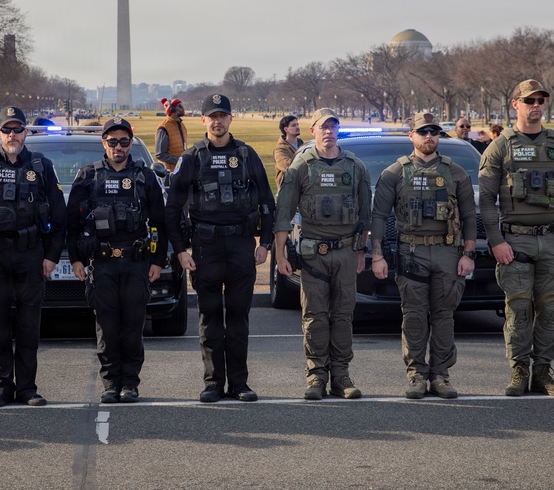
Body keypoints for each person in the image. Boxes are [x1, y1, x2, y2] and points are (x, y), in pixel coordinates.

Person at [164, 93, 275, 403]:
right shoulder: (191, 157)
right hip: (204, 247)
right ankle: (213, 383)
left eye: (222, 115)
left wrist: (265, 243)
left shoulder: (247, 154)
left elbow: (267, 201)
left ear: (230, 118)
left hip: (241, 245)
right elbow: (172, 210)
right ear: (203, 121)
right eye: (211, 116)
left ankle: (240, 383)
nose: (217, 121)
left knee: (238, 315)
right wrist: (180, 250)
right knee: (210, 316)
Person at [478, 79, 554, 397]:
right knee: (519, 309)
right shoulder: (500, 146)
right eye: (529, 100)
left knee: (550, 309)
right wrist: (496, 241)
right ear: (516, 105)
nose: (536, 105)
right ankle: (519, 370)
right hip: (515, 241)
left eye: (540, 100)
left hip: (553, 240)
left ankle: (542, 372)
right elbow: (486, 200)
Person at [0, 106, 67, 408]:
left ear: (26, 133)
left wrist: (52, 256)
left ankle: (28, 388)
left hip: (31, 255)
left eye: (18, 129)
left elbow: (59, 217)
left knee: (30, 325)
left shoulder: (42, 167)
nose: (13, 135)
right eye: (7, 130)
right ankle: (2, 387)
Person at [369, 112, 477, 399]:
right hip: (411, 252)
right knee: (414, 316)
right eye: (423, 132)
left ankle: (441, 375)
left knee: (444, 316)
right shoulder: (394, 173)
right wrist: (377, 255)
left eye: (434, 131)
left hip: (448, 252)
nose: (429, 136)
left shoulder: (456, 172)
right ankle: (417, 374)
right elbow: (378, 216)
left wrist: (469, 253)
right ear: (411, 136)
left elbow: (469, 216)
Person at [274, 108, 372, 400]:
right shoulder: (300, 166)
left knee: (342, 316)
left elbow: (365, 214)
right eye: (323, 127)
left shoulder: (355, 166)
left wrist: (361, 251)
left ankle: (341, 376)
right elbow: (284, 213)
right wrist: (280, 253)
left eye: (333, 126)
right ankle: (316, 376)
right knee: (315, 317)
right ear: (313, 130)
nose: (328, 131)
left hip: (345, 251)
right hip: (313, 253)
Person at [67, 118, 167, 403]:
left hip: (136, 262)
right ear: (104, 143)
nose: (118, 147)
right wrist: (76, 259)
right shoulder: (87, 176)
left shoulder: (145, 177)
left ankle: (130, 383)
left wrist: (158, 261)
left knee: (133, 325)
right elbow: (72, 224)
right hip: (102, 264)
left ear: (131, 143)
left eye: (124, 142)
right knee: (107, 327)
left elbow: (160, 222)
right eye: (113, 142)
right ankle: (111, 382)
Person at [155, 97, 188, 172]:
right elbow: (160, 154)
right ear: (172, 109)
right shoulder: (164, 128)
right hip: (168, 172)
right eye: (179, 106)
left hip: (180, 169)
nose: (182, 108)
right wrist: (179, 161)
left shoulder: (182, 125)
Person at [272, 115, 303, 190]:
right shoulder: (280, 149)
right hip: (287, 191)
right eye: (293, 125)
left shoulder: (302, 145)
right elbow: (286, 165)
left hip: (301, 189)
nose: (297, 127)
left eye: (297, 124)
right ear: (286, 129)